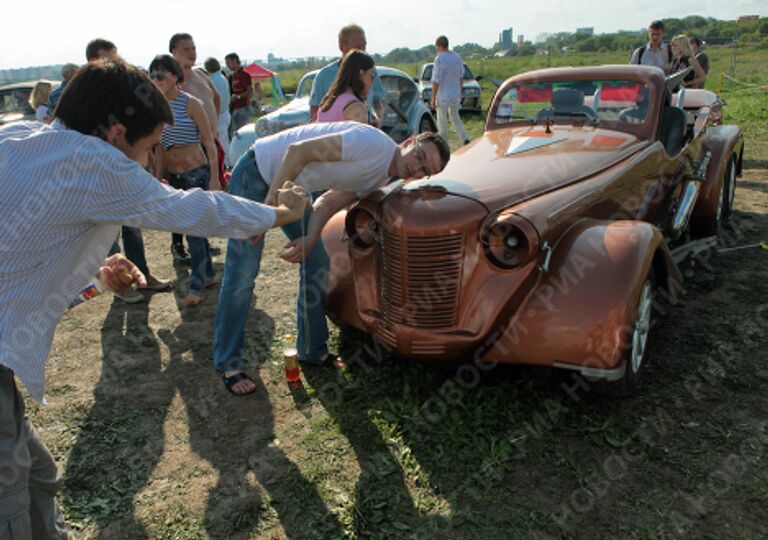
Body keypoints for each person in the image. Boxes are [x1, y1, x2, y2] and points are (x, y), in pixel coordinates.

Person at [0, 59, 308, 538]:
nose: (149, 163)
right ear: (116, 133)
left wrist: (97, 275)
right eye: (147, 149)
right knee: (9, 499)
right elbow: (190, 208)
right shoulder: (97, 161)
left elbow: (19, 253)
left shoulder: (20, 138)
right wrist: (275, 213)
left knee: (39, 477)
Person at [213, 122, 451, 395]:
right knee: (243, 273)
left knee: (317, 261)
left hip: (292, 190)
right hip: (258, 174)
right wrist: (270, 208)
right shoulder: (373, 144)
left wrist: (311, 237)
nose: (417, 168)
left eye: (426, 171)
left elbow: (327, 202)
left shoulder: (381, 179)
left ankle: (311, 350)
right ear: (409, 141)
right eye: (420, 156)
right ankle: (228, 363)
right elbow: (298, 152)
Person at [149, 54, 220, 306]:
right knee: (192, 228)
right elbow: (158, 149)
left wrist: (215, 177)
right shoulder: (156, 109)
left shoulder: (190, 103)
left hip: (195, 173)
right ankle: (208, 275)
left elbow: (208, 141)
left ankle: (197, 286)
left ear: (175, 76)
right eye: (153, 75)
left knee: (194, 230)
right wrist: (157, 181)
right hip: (173, 175)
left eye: (161, 74)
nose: (156, 79)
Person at [169, 33, 222, 262]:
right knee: (182, 197)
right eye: (186, 49)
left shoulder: (200, 74)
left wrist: (213, 125)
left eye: (193, 48)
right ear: (173, 52)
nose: (192, 53)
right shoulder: (173, 83)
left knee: (203, 197)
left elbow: (216, 98)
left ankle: (201, 241)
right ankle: (178, 244)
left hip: (209, 142)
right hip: (187, 146)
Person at [309, 23, 386, 125]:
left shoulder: (370, 71)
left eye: (364, 46)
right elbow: (315, 112)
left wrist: (377, 119)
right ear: (341, 47)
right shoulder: (323, 76)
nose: (362, 51)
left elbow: (377, 100)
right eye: (357, 47)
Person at [431, 35, 470, 146]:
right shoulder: (457, 57)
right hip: (455, 93)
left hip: (443, 94)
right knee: (455, 117)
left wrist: (433, 98)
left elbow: (436, 80)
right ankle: (465, 138)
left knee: (442, 120)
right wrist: (460, 92)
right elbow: (461, 76)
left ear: (439, 46)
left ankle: (444, 144)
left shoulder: (439, 59)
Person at [317, 49, 375, 124]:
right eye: (372, 76)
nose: (373, 81)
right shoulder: (356, 108)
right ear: (361, 73)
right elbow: (360, 136)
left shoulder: (327, 100)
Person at [204, 56, 232, 166]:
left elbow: (214, 100)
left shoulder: (213, 80)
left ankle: (228, 164)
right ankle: (229, 162)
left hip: (219, 114)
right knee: (225, 139)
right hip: (225, 112)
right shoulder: (222, 77)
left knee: (222, 141)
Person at [225, 52, 253, 133]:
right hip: (235, 108)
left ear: (235, 61)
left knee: (243, 132)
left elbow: (250, 91)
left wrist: (238, 97)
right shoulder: (232, 76)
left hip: (244, 108)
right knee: (235, 133)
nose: (227, 65)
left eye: (228, 62)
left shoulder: (244, 74)